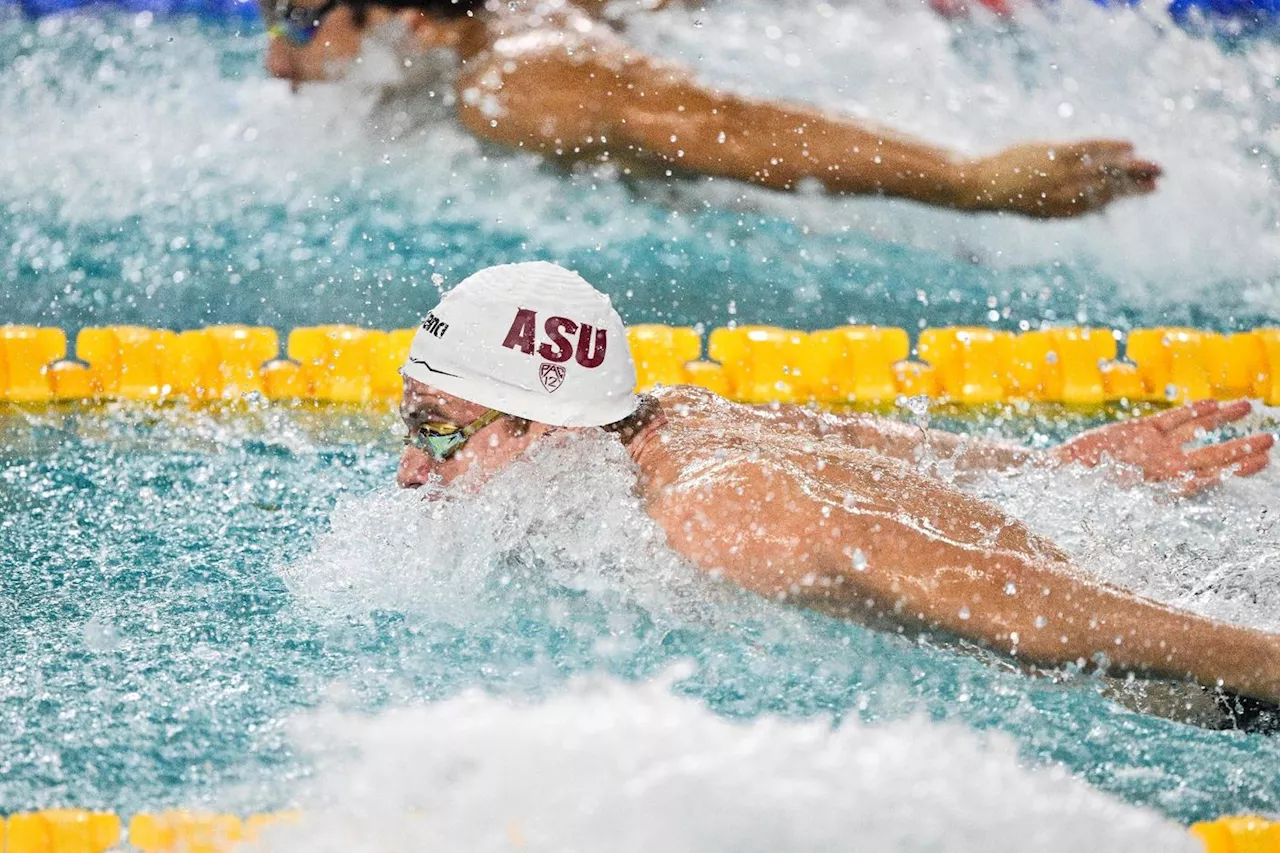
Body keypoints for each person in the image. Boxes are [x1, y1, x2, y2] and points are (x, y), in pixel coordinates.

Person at [395, 261, 1280, 721]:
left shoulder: (714, 510)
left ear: (548, 433)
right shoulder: (669, 417)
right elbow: (852, 437)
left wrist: (1257, 661)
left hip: (1184, 676)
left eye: (436, 429)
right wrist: (1057, 467)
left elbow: (1006, 598)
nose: (410, 469)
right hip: (1168, 589)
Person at [260, 0, 1162, 218]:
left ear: (409, 21)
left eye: (300, 19)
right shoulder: (474, 41)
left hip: (805, 218)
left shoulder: (514, 85)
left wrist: (971, 180)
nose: (275, 58)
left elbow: (722, 128)